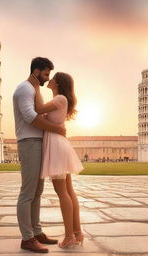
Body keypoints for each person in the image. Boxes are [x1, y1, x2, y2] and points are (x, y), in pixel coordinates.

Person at [13, 57, 66, 254]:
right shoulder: (24, 89)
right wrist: (56, 129)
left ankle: (36, 232)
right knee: (28, 192)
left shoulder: (32, 90)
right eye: (45, 74)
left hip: (37, 143)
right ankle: (27, 238)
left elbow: (38, 112)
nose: (47, 78)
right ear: (36, 72)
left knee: (37, 192)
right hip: (29, 143)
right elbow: (30, 116)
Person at [29, 72, 85, 249]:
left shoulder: (59, 99)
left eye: (53, 78)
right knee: (68, 191)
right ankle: (77, 232)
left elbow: (37, 109)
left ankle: (69, 236)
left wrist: (36, 86)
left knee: (63, 192)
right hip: (59, 145)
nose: (49, 79)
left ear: (58, 83)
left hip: (56, 147)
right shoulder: (60, 101)